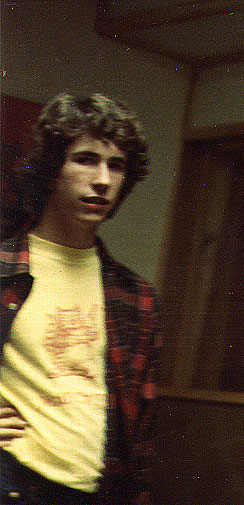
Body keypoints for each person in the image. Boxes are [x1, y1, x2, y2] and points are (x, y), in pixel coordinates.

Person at [0, 93, 162, 505]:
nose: (103, 180)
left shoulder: (136, 296)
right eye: (85, 160)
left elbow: (140, 431)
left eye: (116, 165)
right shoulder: (3, 267)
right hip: (12, 480)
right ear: (51, 169)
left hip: (96, 489)